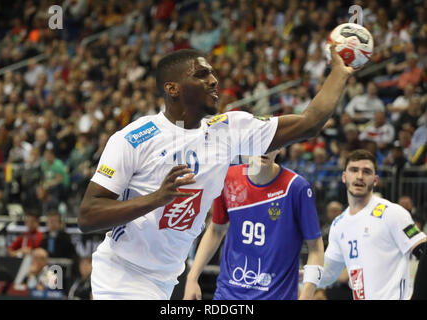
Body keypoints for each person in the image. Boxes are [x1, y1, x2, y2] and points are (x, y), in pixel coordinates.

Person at [79, 47, 354, 299]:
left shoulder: (228, 130)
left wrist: (340, 73)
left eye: (212, 73)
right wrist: (156, 199)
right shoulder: (134, 139)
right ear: (172, 88)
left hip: (169, 276)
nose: (213, 81)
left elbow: (308, 124)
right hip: (122, 275)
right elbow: (88, 215)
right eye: (201, 75)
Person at [183, 150, 324, 300]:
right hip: (228, 294)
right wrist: (192, 277)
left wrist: (307, 295)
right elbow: (216, 230)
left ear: (281, 148)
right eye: (260, 140)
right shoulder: (228, 177)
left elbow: (316, 247)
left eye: (272, 142)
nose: (266, 149)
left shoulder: (296, 187)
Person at [318, 149, 427, 299]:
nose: (360, 176)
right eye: (354, 170)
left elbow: (423, 250)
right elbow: (328, 273)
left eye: (367, 172)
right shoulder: (339, 224)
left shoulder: (392, 213)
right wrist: (298, 275)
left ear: (375, 180)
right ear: (344, 177)